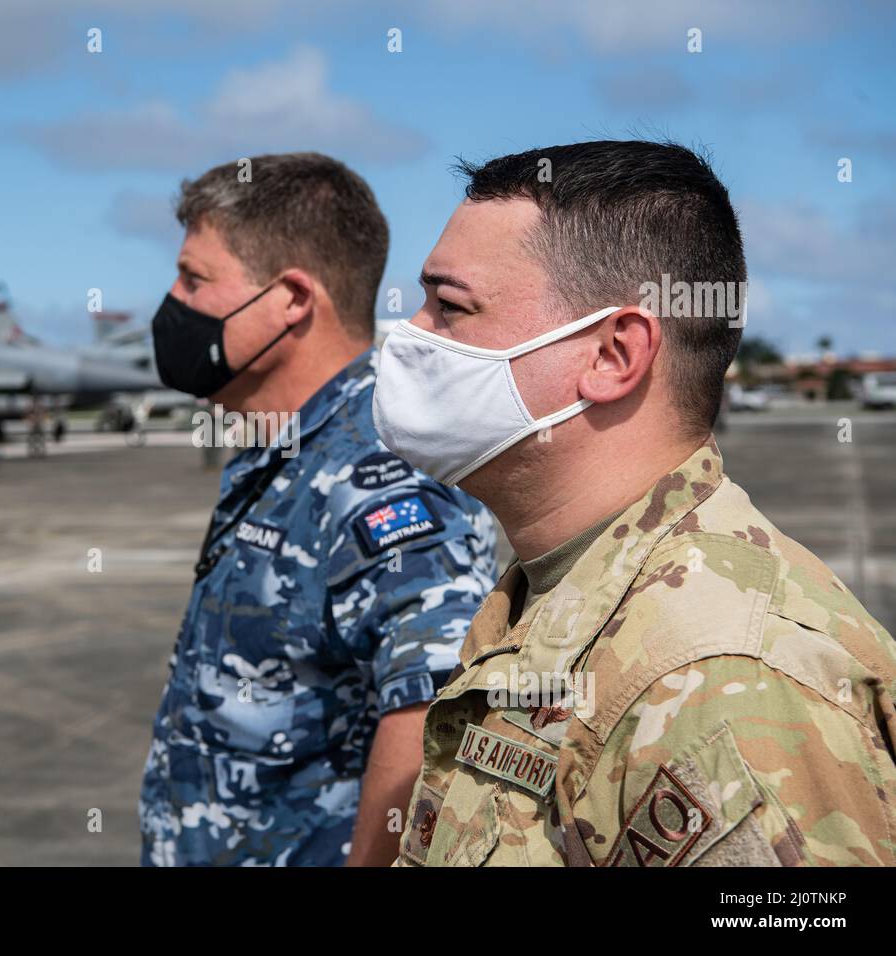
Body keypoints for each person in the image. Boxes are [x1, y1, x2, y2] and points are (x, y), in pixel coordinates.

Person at [375, 140, 896, 867]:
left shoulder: (722, 682)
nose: (409, 335)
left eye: (449, 307)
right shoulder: (558, 592)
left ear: (613, 355)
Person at [140, 152, 497, 866]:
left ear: (292, 300)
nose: (174, 302)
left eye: (195, 278)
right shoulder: (283, 449)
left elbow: (430, 719)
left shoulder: (387, 474)